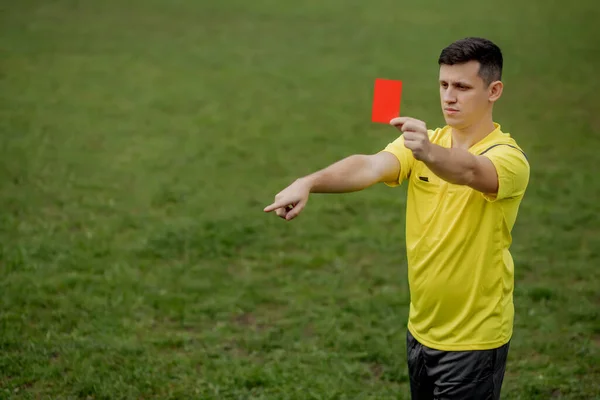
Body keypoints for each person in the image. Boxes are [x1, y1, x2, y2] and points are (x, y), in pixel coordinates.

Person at [263, 37, 530, 400]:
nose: (449, 96)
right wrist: (309, 182)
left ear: (494, 90)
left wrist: (429, 152)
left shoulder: (508, 159)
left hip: (475, 339)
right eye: (444, 84)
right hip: (421, 330)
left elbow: (469, 171)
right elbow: (369, 166)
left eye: (463, 87)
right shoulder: (424, 145)